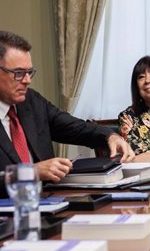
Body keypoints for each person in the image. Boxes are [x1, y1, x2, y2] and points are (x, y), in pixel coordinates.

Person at [0, 30, 134, 182]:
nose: (27, 80)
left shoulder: (31, 101)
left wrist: (110, 136)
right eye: (18, 73)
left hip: (50, 200)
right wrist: (31, 172)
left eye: (29, 72)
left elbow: (75, 127)